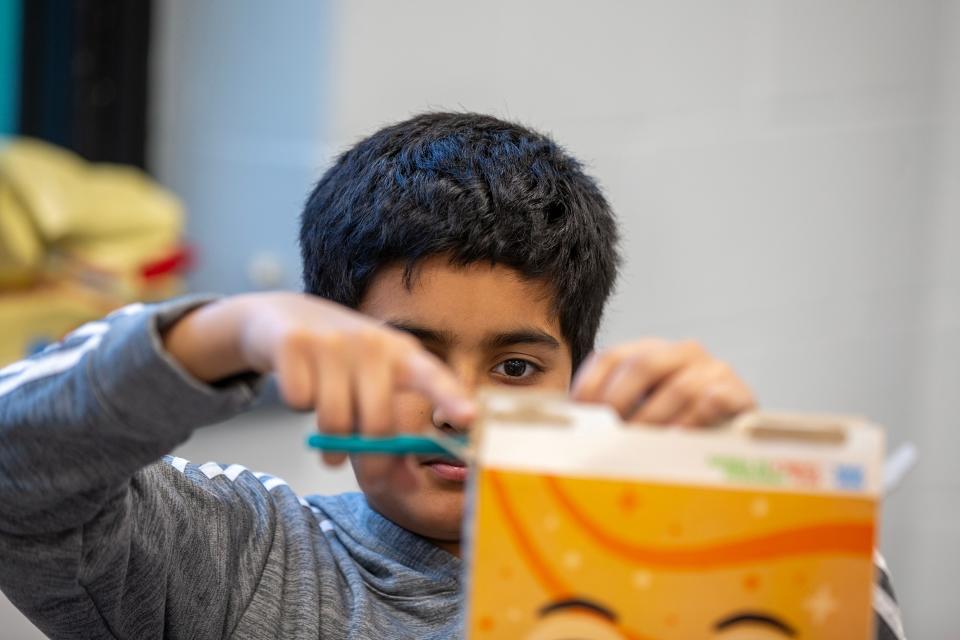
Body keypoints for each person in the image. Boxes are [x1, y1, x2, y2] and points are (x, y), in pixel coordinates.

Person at [0, 113, 903, 639]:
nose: (462, 408)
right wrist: (228, 329)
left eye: (515, 365)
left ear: (574, 375)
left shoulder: (684, 560)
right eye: (410, 357)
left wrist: (744, 499)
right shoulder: (236, 560)